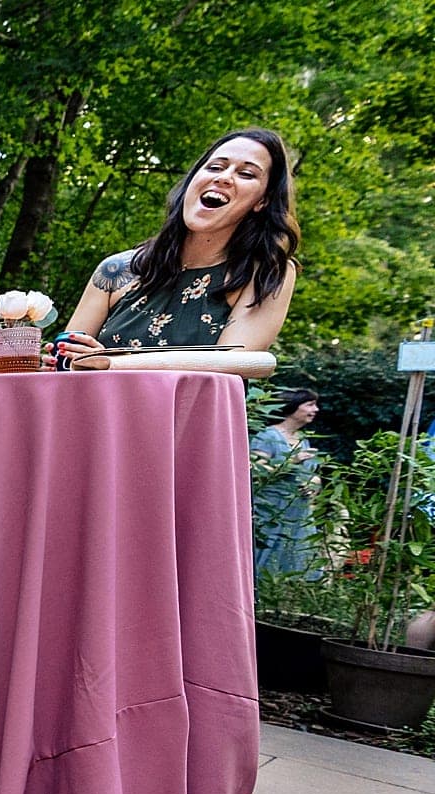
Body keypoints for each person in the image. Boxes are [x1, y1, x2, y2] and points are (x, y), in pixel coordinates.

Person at [59, 127, 300, 359]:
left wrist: (110, 362)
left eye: (246, 174)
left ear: (262, 201)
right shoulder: (115, 270)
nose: (224, 178)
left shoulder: (267, 273)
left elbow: (234, 363)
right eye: (215, 167)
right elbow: (68, 361)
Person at [251, 388, 322, 578]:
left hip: (299, 511)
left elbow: (313, 475)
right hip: (272, 511)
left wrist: (313, 485)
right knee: (265, 556)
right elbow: (257, 472)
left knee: (298, 556)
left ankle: (291, 598)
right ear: (292, 407)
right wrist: (293, 461)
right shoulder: (267, 436)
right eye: (310, 405)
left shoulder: (303, 440)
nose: (315, 410)